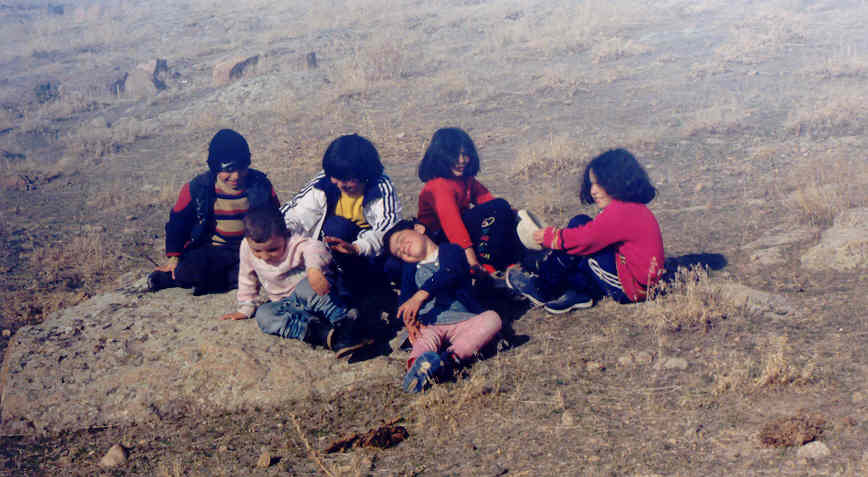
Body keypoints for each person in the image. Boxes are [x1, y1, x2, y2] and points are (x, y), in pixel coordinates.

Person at [506, 149, 664, 314]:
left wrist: (550, 237)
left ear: (618, 181)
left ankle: (542, 288)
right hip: (631, 274)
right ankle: (579, 291)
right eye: (591, 184)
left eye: (599, 184)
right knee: (580, 223)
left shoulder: (621, 212)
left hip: (631, 288)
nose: (592, 191)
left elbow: (586, 239)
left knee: (578, 239)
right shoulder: (631, 207)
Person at [219, 205, 367, 358]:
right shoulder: (246, 247)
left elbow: (315, 248)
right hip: (289, 304)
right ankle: (322, 334)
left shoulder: (296, 243)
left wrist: (314, 269)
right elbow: (246, 276)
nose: (265, 256)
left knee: (305, 288)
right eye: (257, 251)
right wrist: (246, 306)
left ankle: (346, 322)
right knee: (264, 315)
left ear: (285, 235)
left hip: (319, 296)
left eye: (272, 249)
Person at [149, 129, 280, 295]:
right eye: (229, 170)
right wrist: (174, 257)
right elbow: (178, 222)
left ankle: (223, 280)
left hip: (252, 248)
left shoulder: (260, 185)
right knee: (191, 268)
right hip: (214, 249)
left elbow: (276, 217)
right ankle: (169, 278)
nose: (236, 176)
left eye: (242, 168)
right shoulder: (198, 188)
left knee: (263, 268)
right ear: (215, 167)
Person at [384, 220, 502, 393]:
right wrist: (408, 321)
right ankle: (417, 368)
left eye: (402, 240)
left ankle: (449, 360)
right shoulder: (410, 269)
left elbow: (450, 272)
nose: (403, 249)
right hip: (430, 324)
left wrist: (421, 295)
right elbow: (405, 299)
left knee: (492, 319)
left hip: (462, 319)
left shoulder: (451, 251)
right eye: (399, 253)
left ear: (419, 229)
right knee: (422, 340)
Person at [280, 134, 401, 290]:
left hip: (365, 251)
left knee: (396, 265)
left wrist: (357, 248)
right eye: (335, 178)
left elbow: (387, 230)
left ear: (365, 174)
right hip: (330, 249)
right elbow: (298, 212)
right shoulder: (323, 182)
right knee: (335, 227)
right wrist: (282, 230)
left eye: (347, 180)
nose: (338, 184)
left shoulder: (380, 187)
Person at [416, 127, 524, 275]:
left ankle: (509, 261)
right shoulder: (439, 186)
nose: (461, 161)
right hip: (441, 238)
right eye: (455, 156)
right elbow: (453, 226)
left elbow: (485, 199)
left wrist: (511, 215)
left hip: (460, 230)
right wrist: (472, 261)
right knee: (499, 208)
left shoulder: (464, 179)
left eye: (465, 155)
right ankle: (489, 263)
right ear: (440, 157)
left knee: (502, 208)